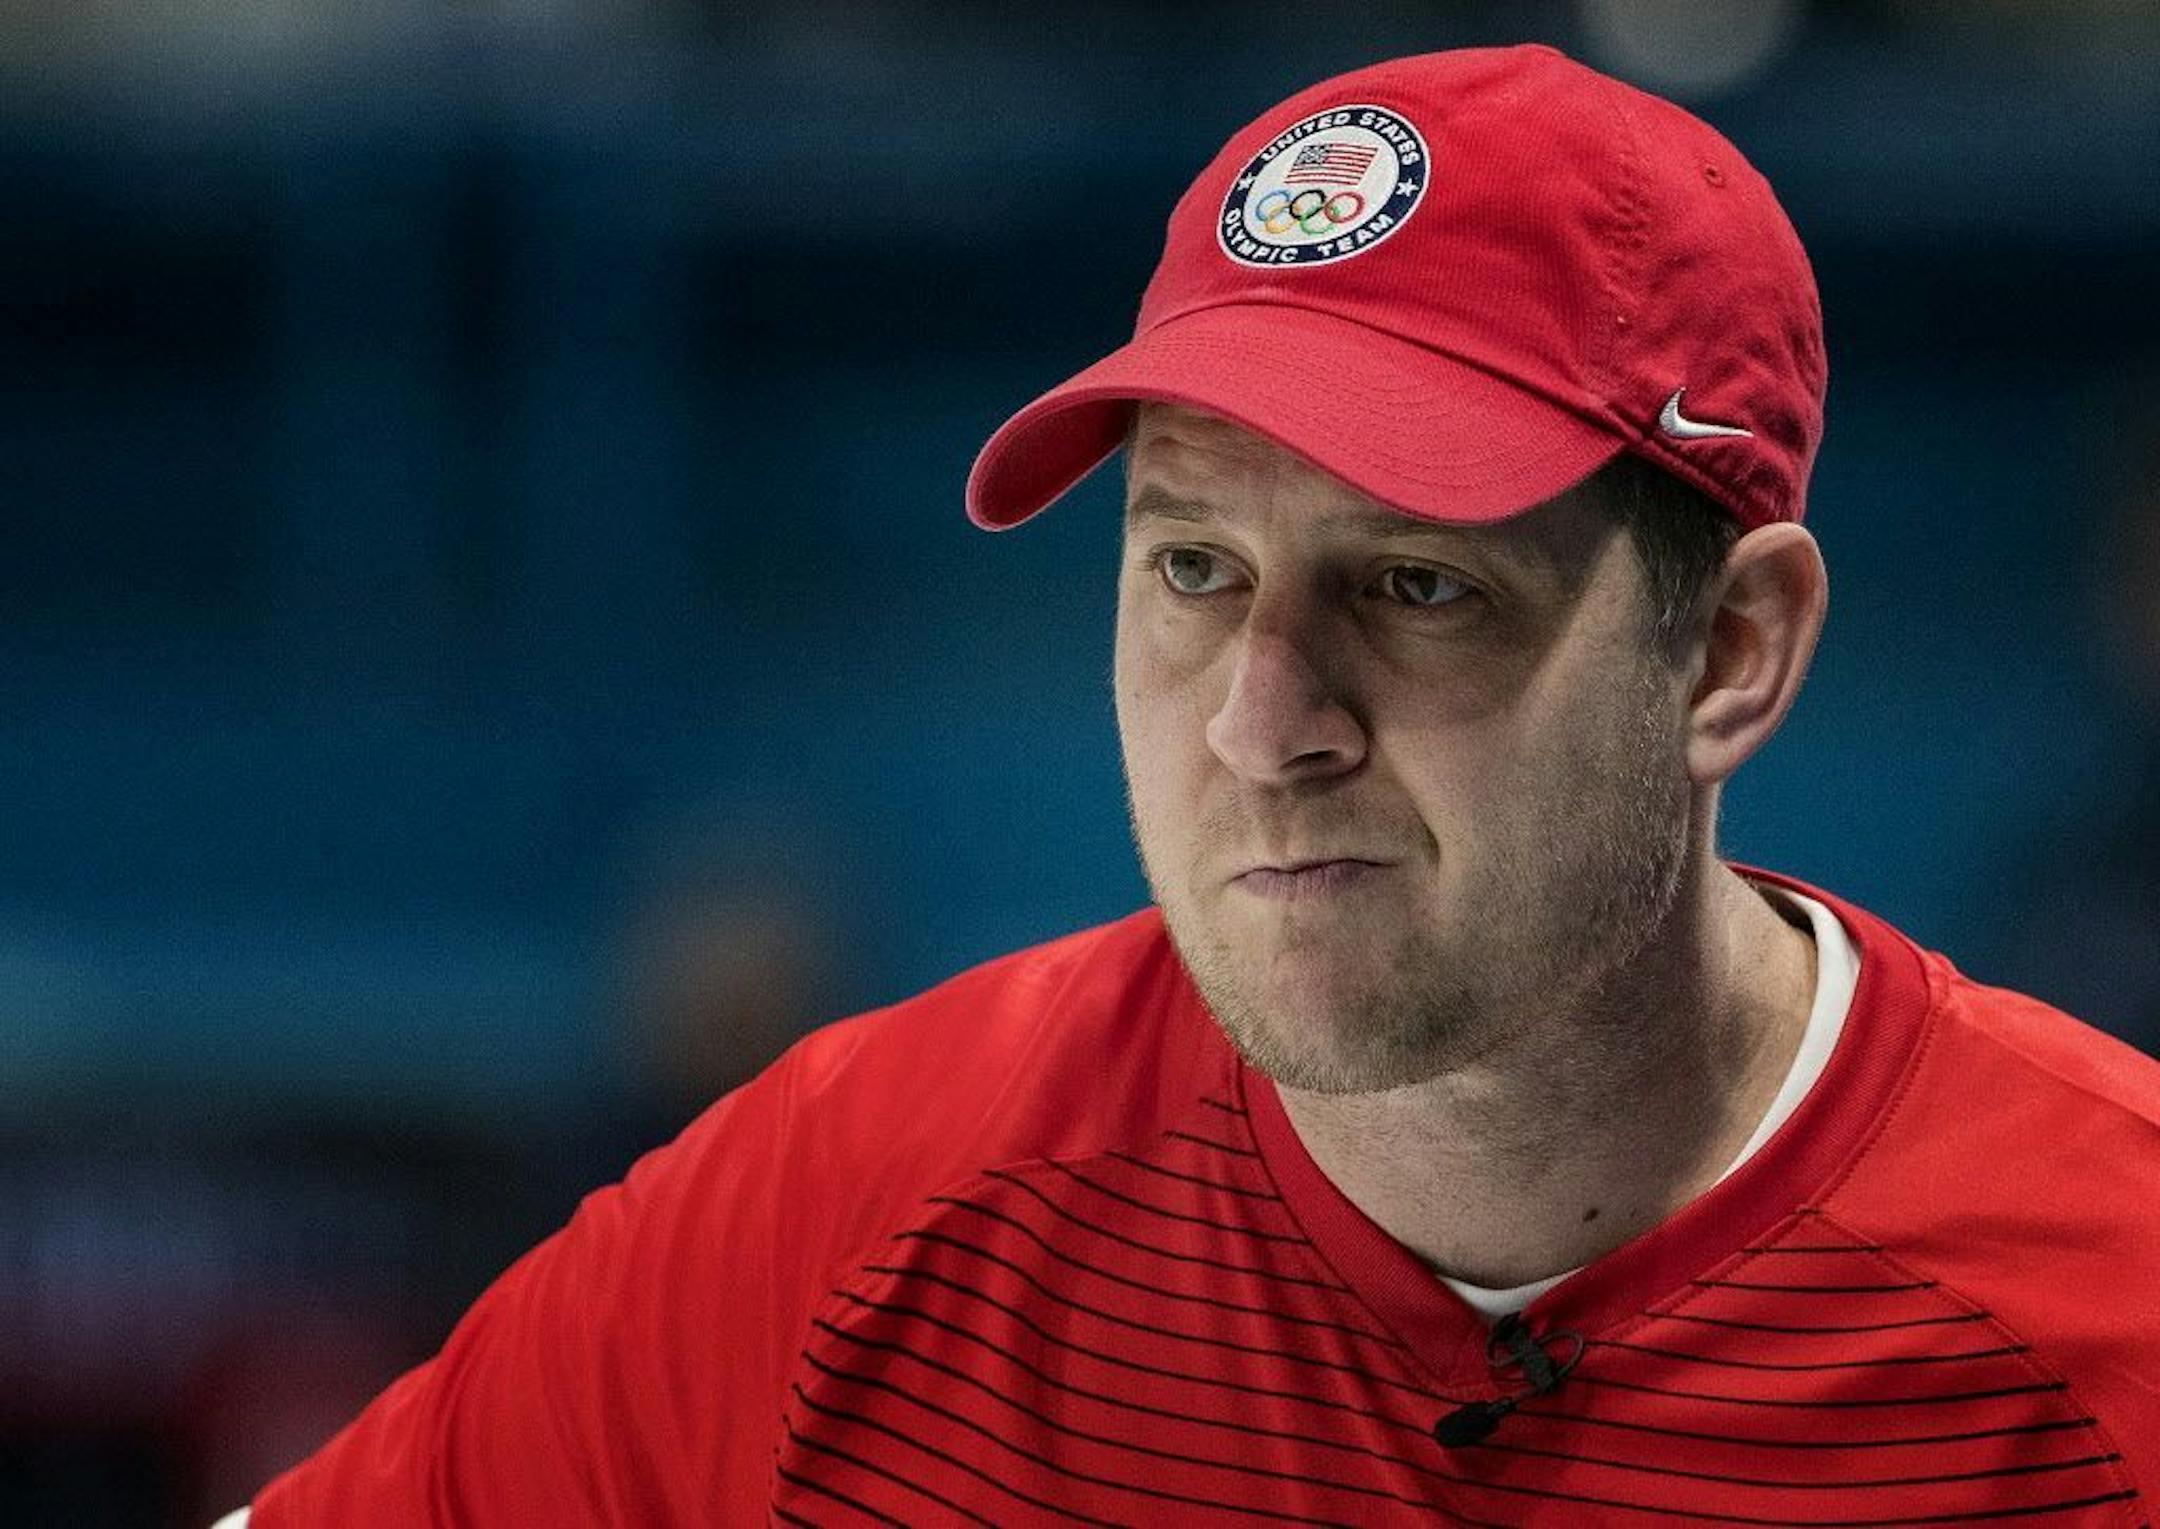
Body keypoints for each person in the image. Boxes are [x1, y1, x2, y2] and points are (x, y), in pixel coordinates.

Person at [232, 43, 2160, 1526]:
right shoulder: (852, 1204)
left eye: (1418, 586)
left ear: (1730, 653)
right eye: (1192, 568)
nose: (1261, 720)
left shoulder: (2109, 1303)